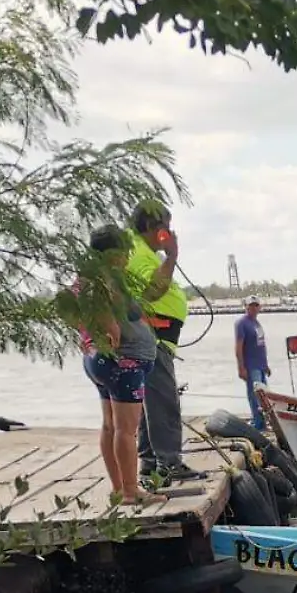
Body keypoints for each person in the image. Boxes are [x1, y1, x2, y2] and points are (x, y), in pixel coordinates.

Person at [72, 226, 164, 506]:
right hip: (122, 362)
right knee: (126, 429)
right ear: (113, 253)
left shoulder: (84, 280)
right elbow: (108, 322)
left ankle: (119, 487)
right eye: (124, 250)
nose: (128, 256)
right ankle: (130, 490)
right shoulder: (104, 282)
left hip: (101, 360)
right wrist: (112, 338)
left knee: (111, 426)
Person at [126, 201, 195, 483]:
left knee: (151, 402)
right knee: (164, 400)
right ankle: (169, 461)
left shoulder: (144, 252)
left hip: (158, 338)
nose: (169, 232)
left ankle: (151, 461)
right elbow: (153, 291)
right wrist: (172, 255)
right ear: (154, 229)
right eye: (166, 227)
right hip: (154, 337)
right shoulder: (140, 254)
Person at [234, 296, 272, 428]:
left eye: (256, 305)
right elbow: (238, 346)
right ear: (246, 307)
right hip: (251, 365)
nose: (254, 308)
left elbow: (262, 345)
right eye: (251, 305)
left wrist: (266, 365)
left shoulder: (257, 323)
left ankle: (264, 421)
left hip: (261, 365)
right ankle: (258, 423)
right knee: (254, 395)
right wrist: (241, 368)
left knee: (264, 396)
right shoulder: (241, 323)